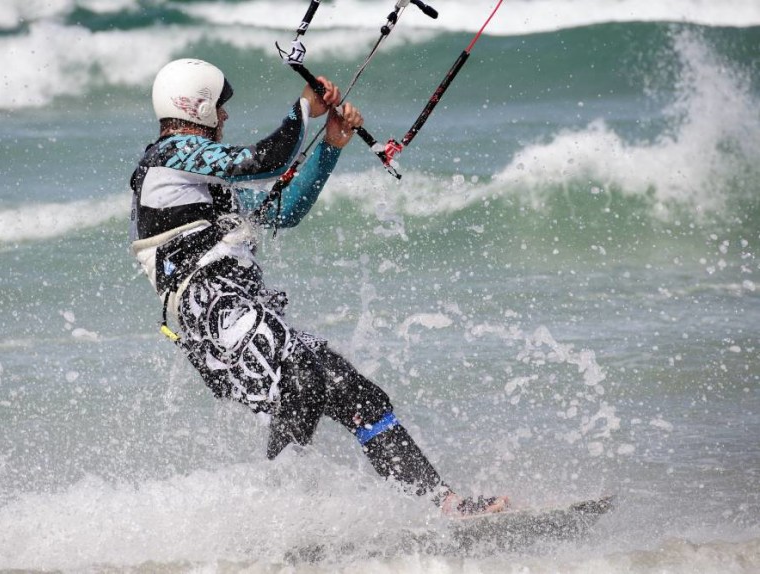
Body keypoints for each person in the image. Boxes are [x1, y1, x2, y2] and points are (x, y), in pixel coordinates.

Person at [129, 58, 508, 517]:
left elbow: (282, 211)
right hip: (210, 312)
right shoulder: (166, 158)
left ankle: (444, 505)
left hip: (240, 311)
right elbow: (261, 160)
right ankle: (278, 520)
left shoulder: (207, 186)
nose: (225, 117)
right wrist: (302, 109)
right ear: (199, 107)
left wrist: (330, 145)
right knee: (303, 380)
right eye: (220, 108)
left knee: (357, 393)